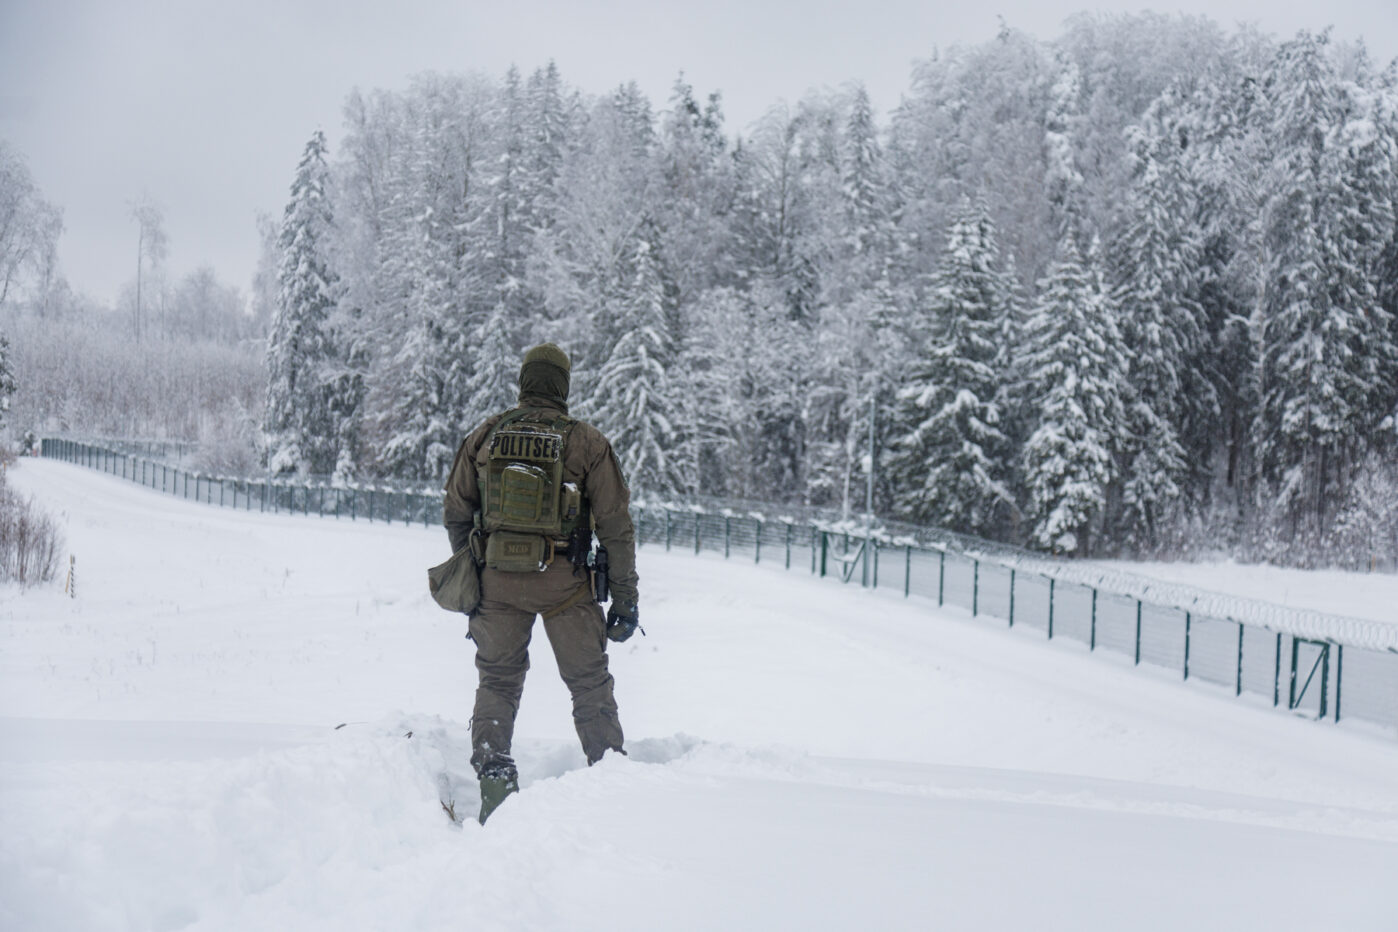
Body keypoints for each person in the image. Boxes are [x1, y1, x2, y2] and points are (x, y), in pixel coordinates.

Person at [443, 343, 640, 824]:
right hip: (566, 585)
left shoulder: (485, 435)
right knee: (590, 685)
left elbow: (455, 510)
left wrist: (473, 568)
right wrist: (625, 599)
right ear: (563, 385)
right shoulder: (587, 443)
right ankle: (611, 789)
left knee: (498, 682)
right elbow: (616, 527)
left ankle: (495, 791)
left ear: (524, 382)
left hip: (497, 583)